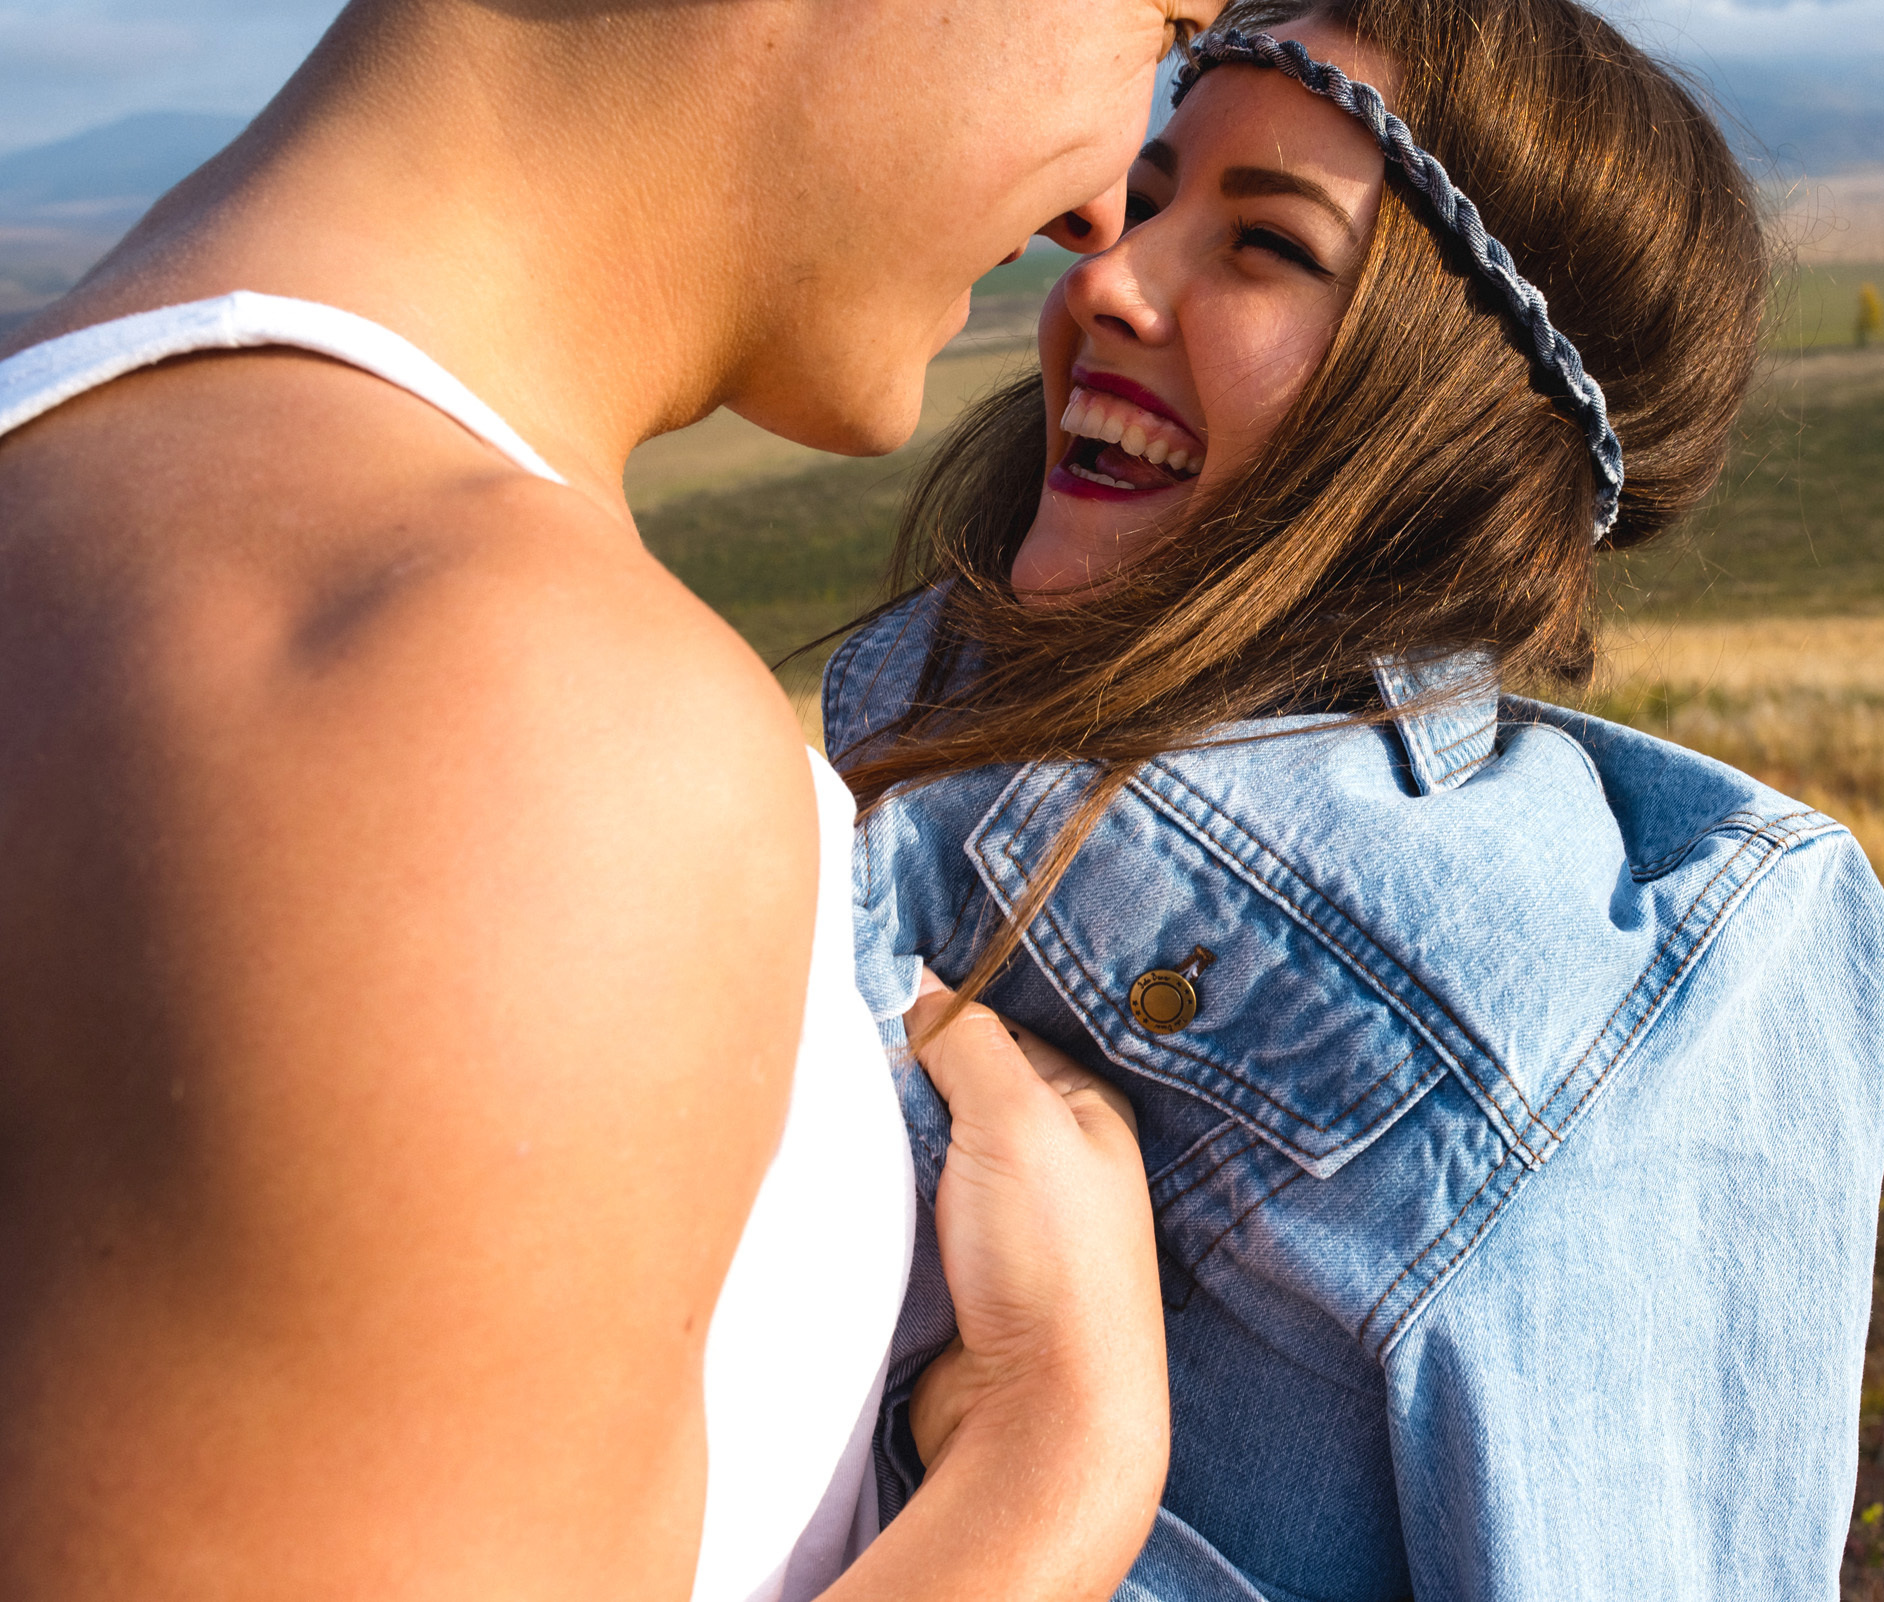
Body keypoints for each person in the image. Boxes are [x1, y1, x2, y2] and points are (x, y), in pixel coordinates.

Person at [0, 0, 1227, 1597]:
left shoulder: (94, 477)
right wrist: (1056, 1472)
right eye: (1156, 13)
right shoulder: (490, 717)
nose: (1100, 211)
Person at [825, 2, 1884, 1597]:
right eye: (1152, 193)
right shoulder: (885, 750)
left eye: (1265, 246)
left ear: (1455, 397)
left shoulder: (1577, 1015)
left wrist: (1048, 1449)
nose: (1106, 279)